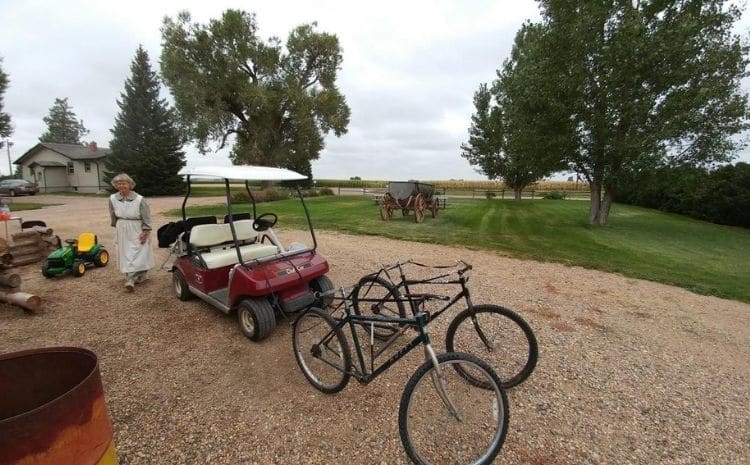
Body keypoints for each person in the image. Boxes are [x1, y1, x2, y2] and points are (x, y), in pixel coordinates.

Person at [108, 173, 155, 291]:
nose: (121, 186)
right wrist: (117, 226)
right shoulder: (113, 198)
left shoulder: (139, 199)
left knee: (139, 252)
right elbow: (112, 214)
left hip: (137, 227)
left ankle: (131, 278)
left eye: (124, 183)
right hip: (122, 227)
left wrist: (145, 232)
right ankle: (134, 276)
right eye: (118, 184)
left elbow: (146, 217)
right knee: (125, 253)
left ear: (130, 185)